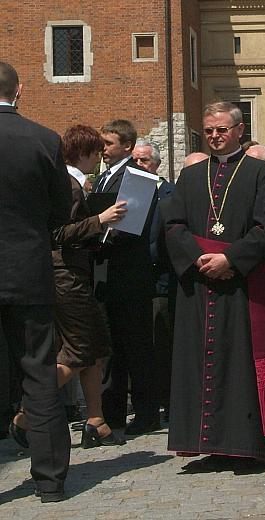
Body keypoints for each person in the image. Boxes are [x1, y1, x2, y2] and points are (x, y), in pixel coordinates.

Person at [164, 102, 265, 466]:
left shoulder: (261, 173)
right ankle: (210, 445)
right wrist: (200, 260)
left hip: (242, 284)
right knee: (198, 363)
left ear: (239, 130)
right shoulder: (190, 176)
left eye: (222, 130)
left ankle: (245, 446)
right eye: (210, 130)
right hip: (199, 285)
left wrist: (230, 259)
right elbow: (173, 224)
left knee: (240, 363)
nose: (215, 137)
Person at [0, 61, 72, 502]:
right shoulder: (44, 139)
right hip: (28, 269)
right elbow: (60, 212)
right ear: (20, 90)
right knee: (39, 372)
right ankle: (49, 480)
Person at [47, 125, 128, 448]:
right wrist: (101, 220)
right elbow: (59, 233)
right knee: (79, 350)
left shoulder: (73, 182)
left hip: (75, 272)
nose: (99, 158)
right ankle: (29, 409)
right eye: (96, 152)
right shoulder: (68, 184)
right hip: (67, 276)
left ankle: (96, 420)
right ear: (83, 153)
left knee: (96, 346)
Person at [94, 119, 160, 434]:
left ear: (127, 146)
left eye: (108, 143)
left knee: (137, 348)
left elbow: (129, 228)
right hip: (107, 275)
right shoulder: (102, 178)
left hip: (130, 276)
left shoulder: (139, 177)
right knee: (112, 349)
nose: (102, 149)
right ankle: (113, 412)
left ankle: (146, 413)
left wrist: (92, 236)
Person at [133, 139, 176, 420]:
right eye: (134, 160)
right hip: (136, 283)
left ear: (157, 164)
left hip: (161, 283)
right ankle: (145, 409)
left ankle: (171, 404)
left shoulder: (169, 193)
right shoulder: (130, 194)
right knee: (141, 349)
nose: (138, 165)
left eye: (144, 160)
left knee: (163, 345)